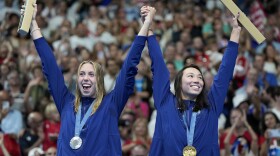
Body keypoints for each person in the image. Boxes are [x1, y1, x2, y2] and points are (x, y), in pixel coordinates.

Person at [23, 2, 156, 155]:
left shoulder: (111, 103)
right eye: (82, 74)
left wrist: (146, 24)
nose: (85, 78)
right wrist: (33, 24)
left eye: (91, 74)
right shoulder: (66, 102)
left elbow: (129, 67)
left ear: (99, 80)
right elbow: (50, 66)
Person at [142, 6, 242, 155]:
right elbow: (158, 66)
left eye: (200, 77)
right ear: (179, 83)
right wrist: (148, 27)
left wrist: (235, 32)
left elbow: (224, 73)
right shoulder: (165, 101)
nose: (197, 80)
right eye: (190, 76)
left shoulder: (212, 105)